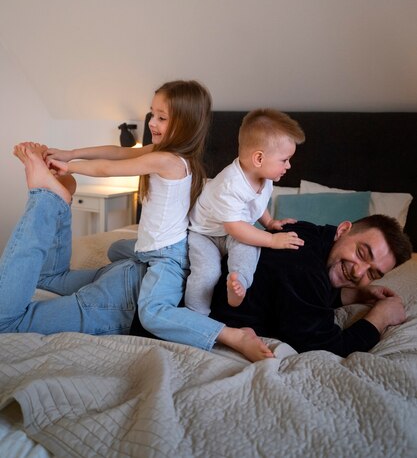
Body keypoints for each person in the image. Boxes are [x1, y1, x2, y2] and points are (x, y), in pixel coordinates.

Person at [1, 84, 273, 362]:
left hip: (165, 262)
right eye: (152, 114)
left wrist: (69, 167)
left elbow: (109, 168)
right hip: (139, 263)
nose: (152, 123)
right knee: (52, 278)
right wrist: (70, 153)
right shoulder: (166, 154)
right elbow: (116, 153)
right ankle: (56, 198)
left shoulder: (169, 161)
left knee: (153, 311)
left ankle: (232, 335)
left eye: (162, 117)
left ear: (186, 123)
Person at [209, 216, 413, 356]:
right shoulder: (305, 269)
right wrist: (380, 317)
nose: (358, 273)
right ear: (343, 230)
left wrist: (355, 295)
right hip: (209, 317)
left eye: (372, 273)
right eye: (361, 253)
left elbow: (296, 298)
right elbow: (330, 348)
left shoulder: (308, 232)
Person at [184, 109, 305, 315]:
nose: (289, 165)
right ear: (259, 158)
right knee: (208, 272)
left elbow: (256, 204)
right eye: (284, 160)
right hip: (205, 234)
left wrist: (269, 223)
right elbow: (236, 227)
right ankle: (196, 313)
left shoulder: (265, 177)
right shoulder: (229, 184)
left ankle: (237, 285)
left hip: (232, 230)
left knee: (249, 251)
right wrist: (272, 239)